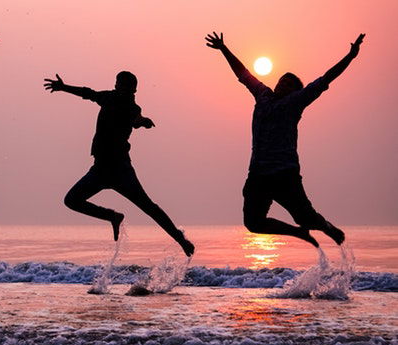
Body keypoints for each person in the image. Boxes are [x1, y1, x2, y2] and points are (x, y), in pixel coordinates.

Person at [205, 32, 365, 247]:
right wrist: (224, 49)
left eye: (289, 84)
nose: (283, 85)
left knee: (305, 218)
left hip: (284, 174)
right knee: (253, 223)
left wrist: (351, 56)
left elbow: (327, 78)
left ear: (295, 91)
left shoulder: (296, 102)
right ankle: (299, 234)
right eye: (282, 81)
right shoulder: (262, 95)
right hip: (258, 174)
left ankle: (326, 228)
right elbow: (243, 73)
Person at [43, 72, 195, 256]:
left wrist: (144, 122)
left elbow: (136, 119)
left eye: (127, 87)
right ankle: (112, 216)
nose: (122, 89)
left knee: (148, 206)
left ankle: (180, 240)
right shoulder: (108, 97)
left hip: (121, 170)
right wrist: (63, 87)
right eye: (120, 85)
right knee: (71, 200)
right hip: (99, 169)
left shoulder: (131, 107)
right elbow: (87, 93)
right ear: (116, 85)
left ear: (134, 89)